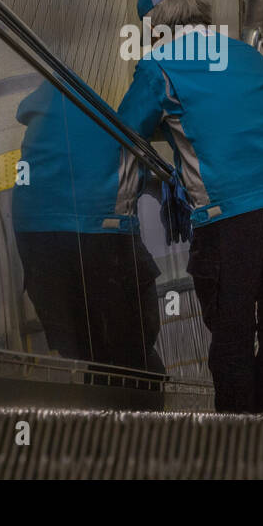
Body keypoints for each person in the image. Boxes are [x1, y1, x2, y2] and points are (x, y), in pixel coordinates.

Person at [117, 0, 263, 414]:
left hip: (230, 215)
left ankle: (239, 443)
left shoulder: (158, 65)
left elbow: (124, 132)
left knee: (232, 342)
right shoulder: (247, 54)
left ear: (153, 27)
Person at [12, 81, 164, 374]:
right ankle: (139, 398)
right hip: (102, 232)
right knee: (134, 352)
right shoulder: (118, 91)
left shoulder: (46, 101)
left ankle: (100, 395)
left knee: (83, 353)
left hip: (35, 234)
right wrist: (160, 183)